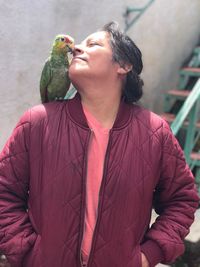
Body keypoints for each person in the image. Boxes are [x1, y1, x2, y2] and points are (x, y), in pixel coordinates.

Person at [0, 21, 199, 267]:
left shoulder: (155, 133)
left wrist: (147, 255)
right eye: (78, 45)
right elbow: (4, 193)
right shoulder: (37, 122)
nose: (77, 48)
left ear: (124, 65)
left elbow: (182, 200)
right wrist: (28, 253)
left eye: (92, 44)